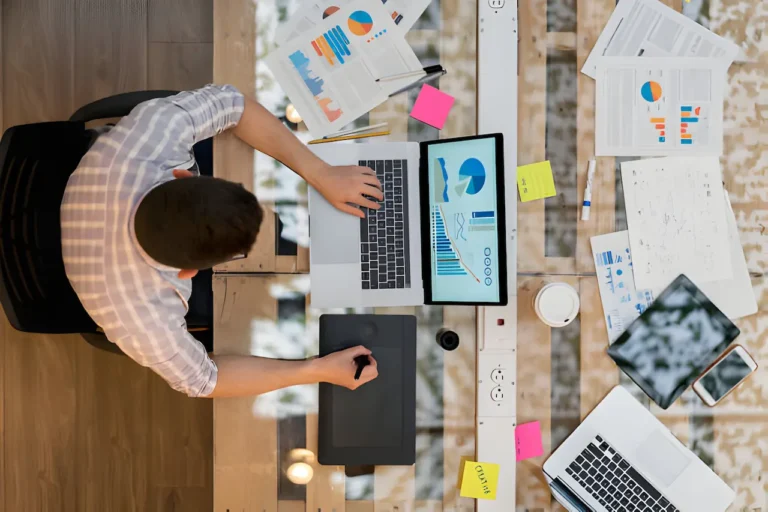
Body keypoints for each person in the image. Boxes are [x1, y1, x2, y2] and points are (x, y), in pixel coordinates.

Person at [61, 84, 379, 397]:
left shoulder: (155, 134)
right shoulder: (142, 318)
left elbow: (234, 104)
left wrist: (320, 173)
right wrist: (315, 370)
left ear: (181, 176)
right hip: (111, 278)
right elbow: (203, 381)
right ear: (188, 274)